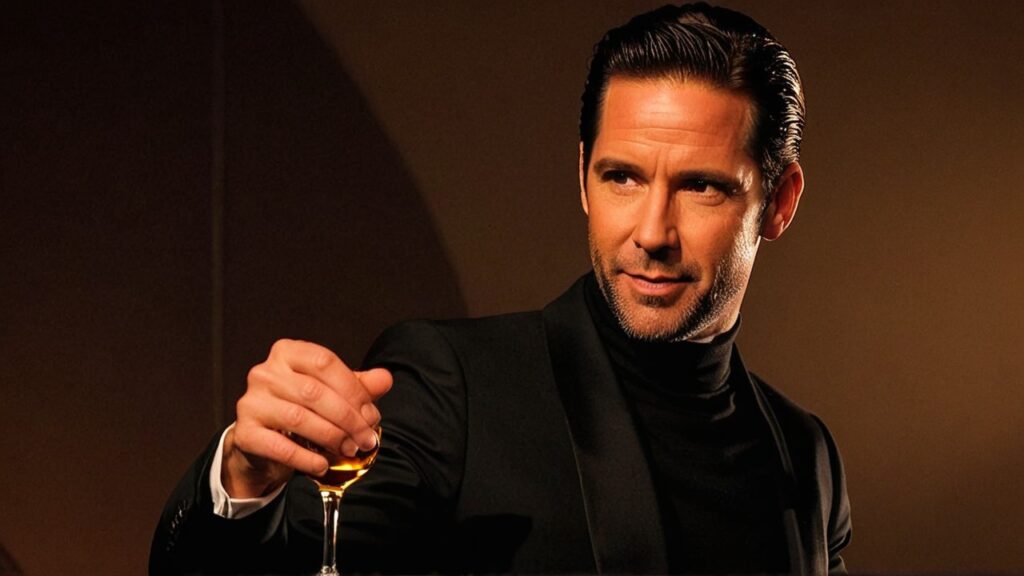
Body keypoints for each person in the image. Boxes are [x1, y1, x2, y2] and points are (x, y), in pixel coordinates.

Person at [151, 3, 851, 574]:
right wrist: (242, 480)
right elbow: (281, 564)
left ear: (780, 202)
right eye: (623, 178)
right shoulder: (456, 388)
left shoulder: (807, 456)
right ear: (584, 179)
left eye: (700, 187)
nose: (651, 231)